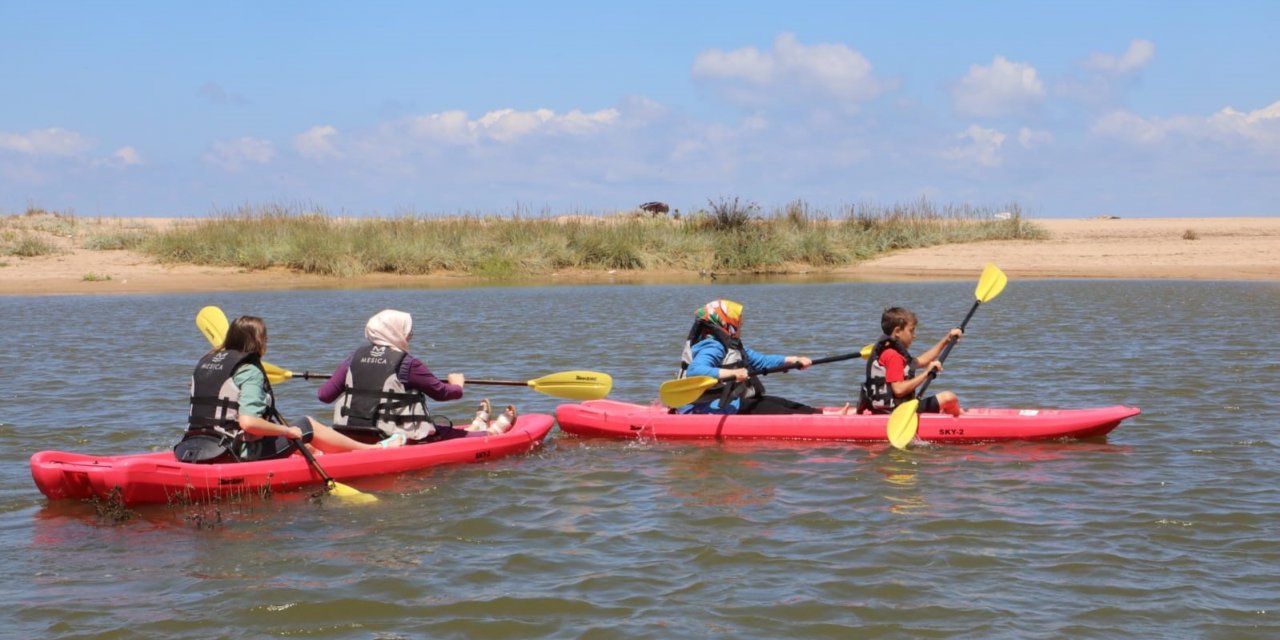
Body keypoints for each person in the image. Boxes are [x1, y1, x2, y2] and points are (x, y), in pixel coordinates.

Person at [176, 315, 399, 464]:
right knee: (305, 425)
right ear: (257, 342)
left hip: (191, 446)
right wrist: (287, 432)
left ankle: (318, 452)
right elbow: (248, 423)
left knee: (305, 443)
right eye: (265, 339)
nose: (267, 344)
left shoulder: (205, 363)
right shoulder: (250, 371)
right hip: (233, 452)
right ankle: (370, 451)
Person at [317, 309, 516, 443]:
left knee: (441, 429)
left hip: (349, 434)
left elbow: (324, 396)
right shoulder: (408, 363)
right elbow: (442, 394)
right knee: (447, 434)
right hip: (392, 437)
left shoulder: (352, 359)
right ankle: (491, 432)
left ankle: (477, 424)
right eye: (408, 330)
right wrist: (458, 386)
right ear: (395, 332)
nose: (410, 335)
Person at [676, 299, 818, 415]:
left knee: (783, 403)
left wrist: (792, 360)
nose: (741, 322)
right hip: (707, 406)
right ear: (725, 322)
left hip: (728, 401)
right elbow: (695, 370)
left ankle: (823, 414)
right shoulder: (713, 346)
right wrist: (733, 373)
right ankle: (820, 421)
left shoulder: (729, 344)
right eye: (738, 320)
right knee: (780, 410)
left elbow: (760, 361)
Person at [858, 306, 964, 416]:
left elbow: (923, 360)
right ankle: (961, 423)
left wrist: (946, 340)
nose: (914, 335)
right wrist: (926, 374)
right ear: (898, 331)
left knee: (948, 399)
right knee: (949, 398)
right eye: (911, 330)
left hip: (886, 410)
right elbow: (898, 390)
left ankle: (957, 416)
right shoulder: (893, 356)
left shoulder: (889, 352)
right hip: (897, 413)